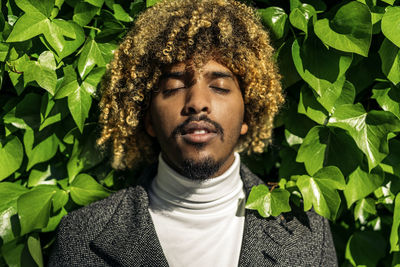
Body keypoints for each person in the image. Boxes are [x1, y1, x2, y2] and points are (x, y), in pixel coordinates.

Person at [49, 0, 338, 266]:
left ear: (247, 114)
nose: (198, 103)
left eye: (220, 87)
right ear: (146, 117)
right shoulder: (80, 238)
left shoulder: (308, 235)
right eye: (174, 87)